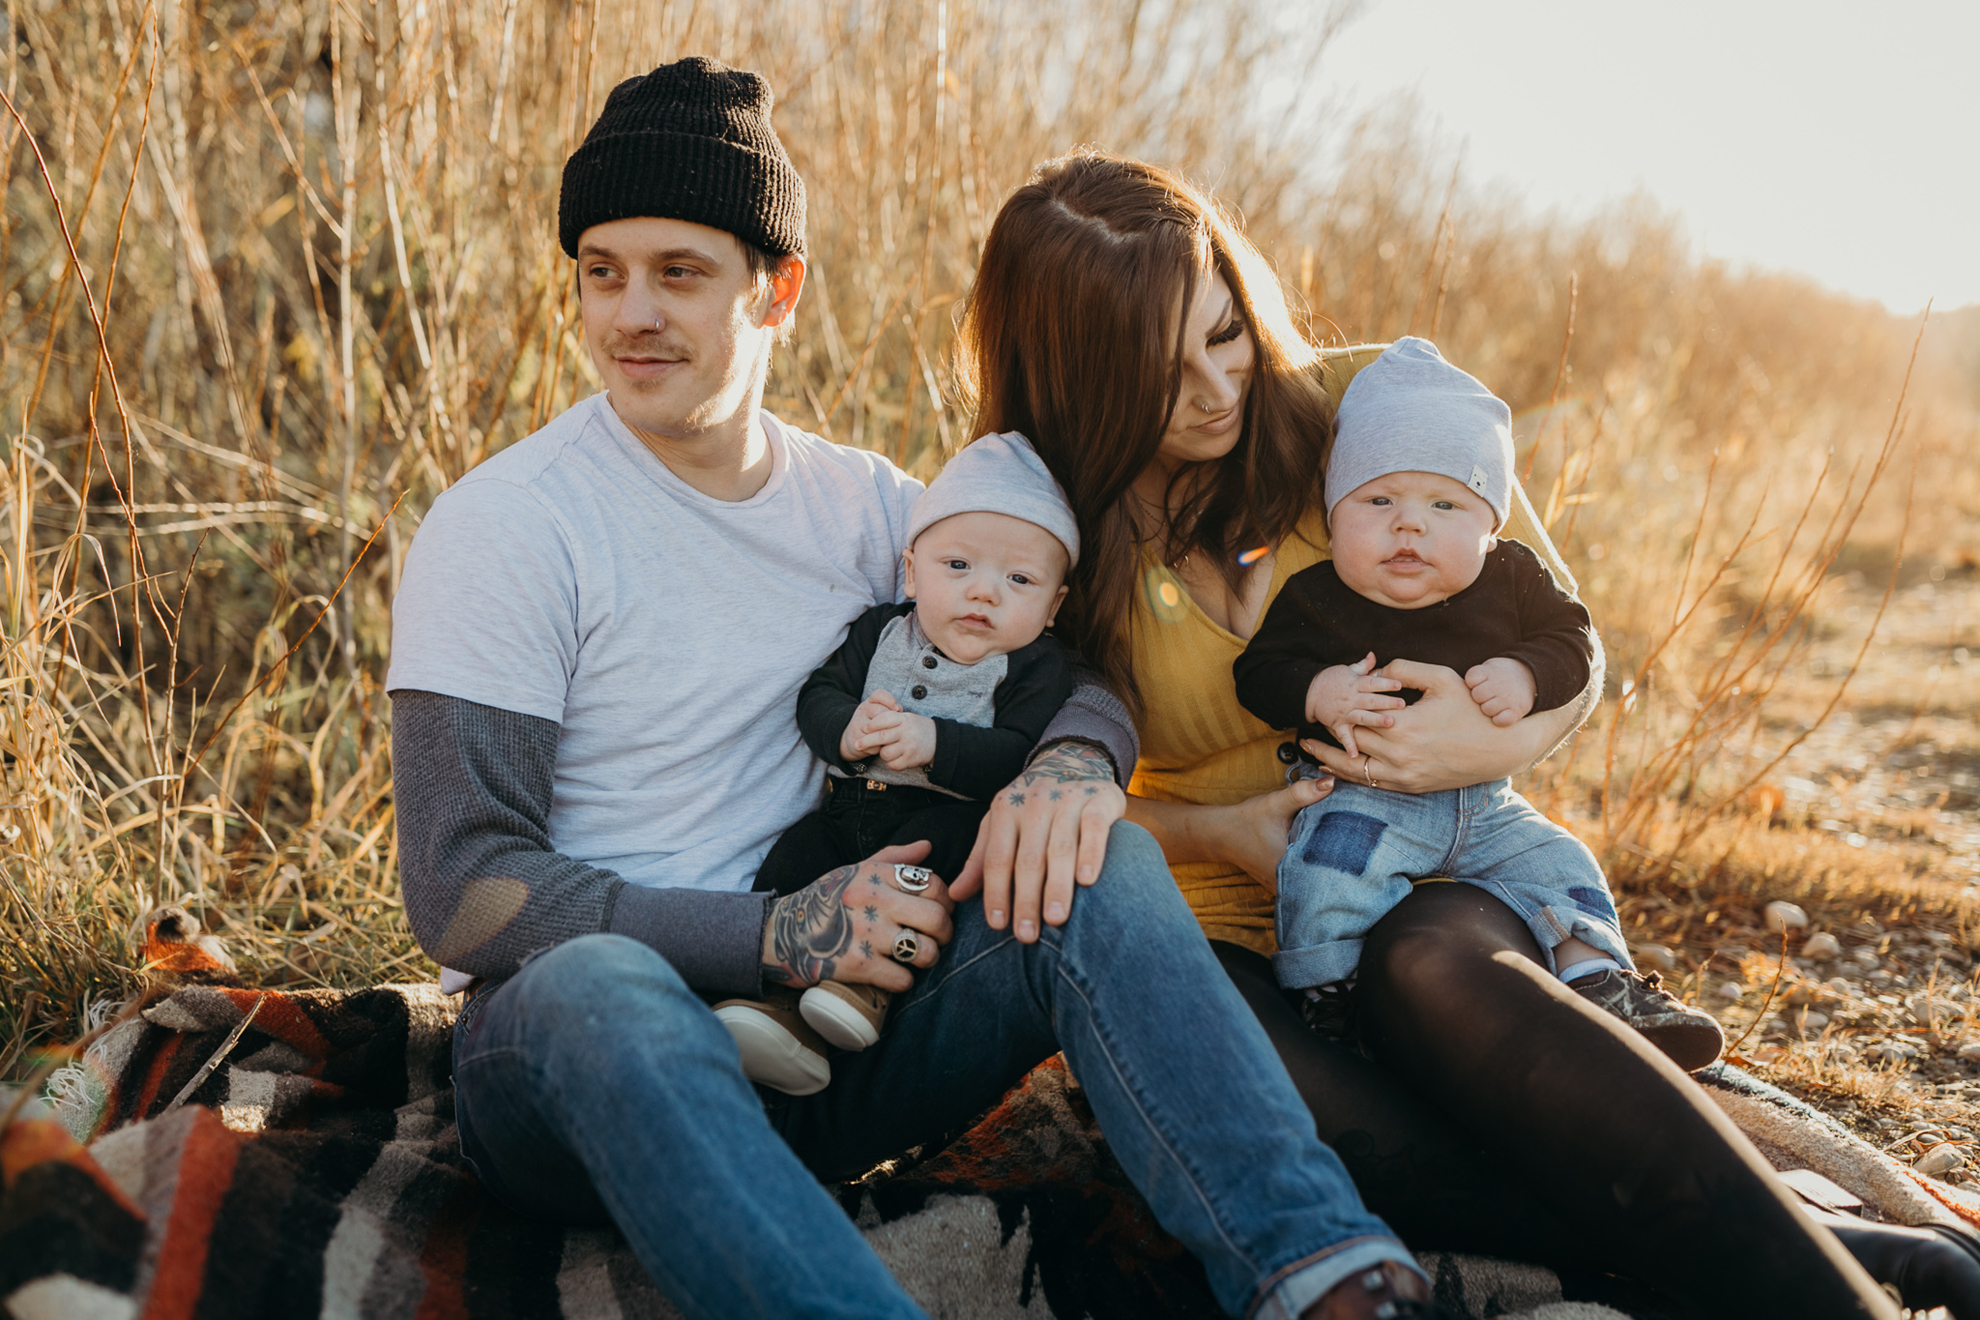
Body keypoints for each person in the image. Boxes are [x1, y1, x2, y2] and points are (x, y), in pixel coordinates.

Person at [390, 57, 1458, 1320]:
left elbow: (1075, 675)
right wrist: (775, 933)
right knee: (600, 985)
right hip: (578, 1071)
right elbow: (464, 889)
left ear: (778, 290)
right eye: (600, 271)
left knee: (1098, 859)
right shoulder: (510, 526)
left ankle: (1321, 1271)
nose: (631, 315)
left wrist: (1072, 767)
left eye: (679, 273)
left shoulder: (878, 513)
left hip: (842, 1045)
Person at [949, 147, 1966, 1317]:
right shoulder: (1029, 529)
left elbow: (1566, 646)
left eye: (1225, 335)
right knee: (1269, 1094)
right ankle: (1802, 1236)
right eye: (1161, 375)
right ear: (1073, 380)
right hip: (1217, 916)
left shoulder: (1381, 406)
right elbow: (1034, 790)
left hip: (1435, 860)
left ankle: (1836, 1278)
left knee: (1431, 964)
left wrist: (1472, 752)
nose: (1219, 389)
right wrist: (1219, 832)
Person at [1231, 336, 1722, 1070]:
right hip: (1362, 799)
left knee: (1561, 861)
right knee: (1325, 871)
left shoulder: (1514, 578)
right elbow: (1257, 674)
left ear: (1492, 529)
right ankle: (1331, 993)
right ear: (1333, 518)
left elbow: (1574, 641)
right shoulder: (1314, 597)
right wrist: (1319, 690)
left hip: (1488, 806)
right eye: (1377, 500)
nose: (1409, 524)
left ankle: (1599, 980)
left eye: (1445, 503)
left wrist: (1526, 674)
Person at [714, 432, 1078, 1094]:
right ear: (912, 572)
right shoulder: (880, 629)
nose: (984, 593)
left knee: (926, 873)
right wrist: (846, 729)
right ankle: (771, 1004)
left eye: (1019, 580)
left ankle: (863, 992)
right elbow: (819, 695)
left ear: (1054, 606)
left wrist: (937, 744)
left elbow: (1017, 753)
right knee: (795, 860)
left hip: (941, 821)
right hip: (847, 811)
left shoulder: (1035, 666)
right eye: (958, 566)